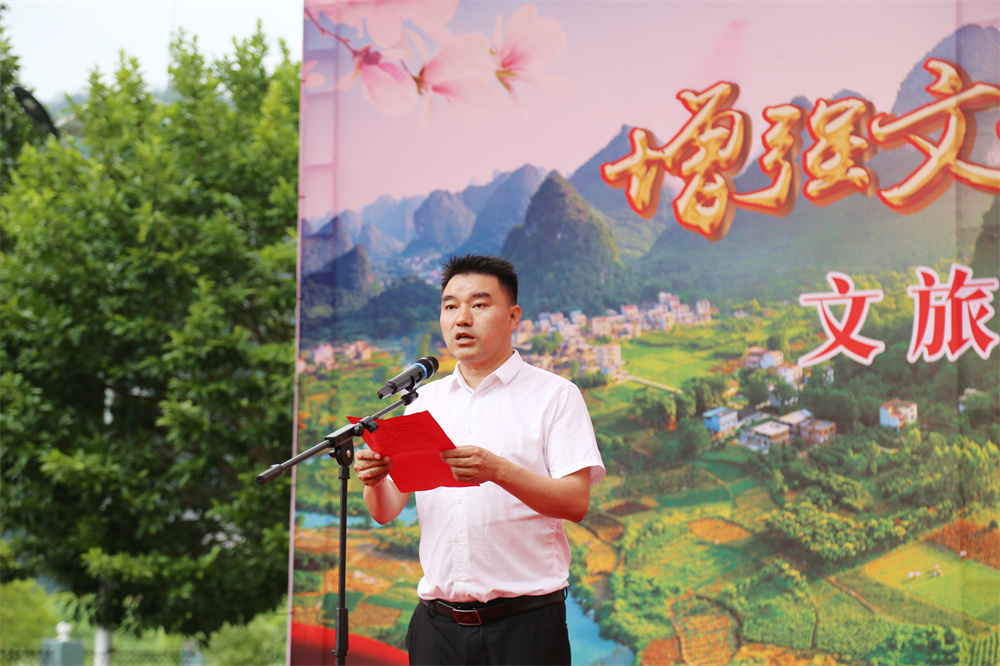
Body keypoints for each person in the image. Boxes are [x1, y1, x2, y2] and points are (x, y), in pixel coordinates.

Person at [354, 254, 605, 665]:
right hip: (437, 629)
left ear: (513, 316)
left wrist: (498, 471)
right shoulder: (423, 403)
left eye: (479, 305)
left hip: (525, 628)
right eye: (450, 306)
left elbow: (576, 503)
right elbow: (385, 510)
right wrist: (375, 480)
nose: (462, 319)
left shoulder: (555, 396)